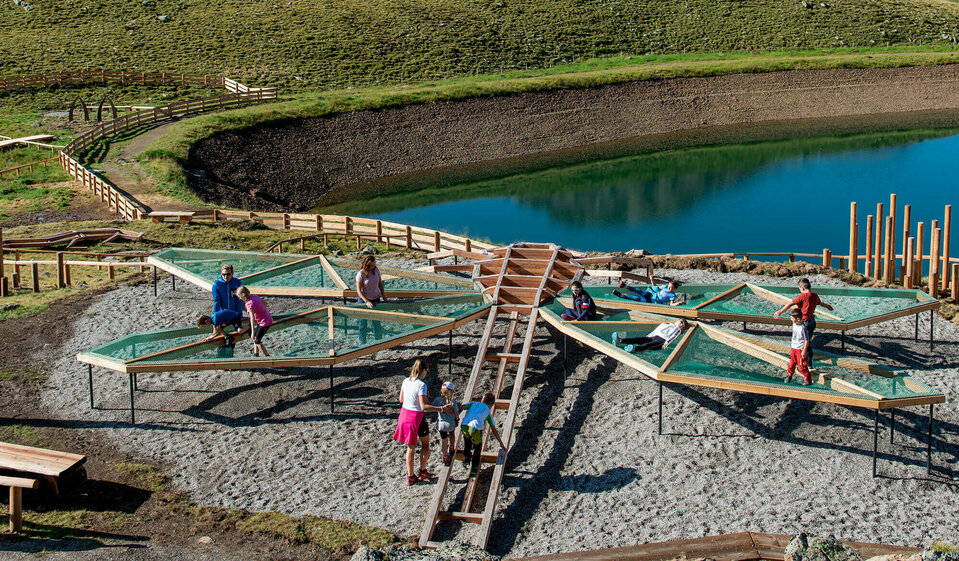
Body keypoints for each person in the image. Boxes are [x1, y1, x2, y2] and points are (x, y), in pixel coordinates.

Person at [394, 360, 447, 486]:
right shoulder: (421, 385)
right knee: (425, 444)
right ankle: (422, 471)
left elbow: (401, 399)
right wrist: (441, 409)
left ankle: (410, 476)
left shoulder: (405, 381)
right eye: (426, 371)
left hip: (404, 416)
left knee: (410, 447)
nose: (426, 374)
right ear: (423, 371)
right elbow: (424, 406)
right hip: (416, 417)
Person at [459, 391, 507, 478]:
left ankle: (466, 457)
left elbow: (462, 406)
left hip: (464, 425)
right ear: (491, 405)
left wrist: (456, 416)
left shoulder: (474, 403)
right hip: (475, 428)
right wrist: (501, 443)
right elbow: (494, 430)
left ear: (482, 400)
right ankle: (474, 468)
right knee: (478, 447)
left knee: (467, 440)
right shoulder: (488, 411)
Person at [611, 319, 689, 353]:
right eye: (681, 322)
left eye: (683, 324)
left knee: (648, 345)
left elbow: (673, 337)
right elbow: (656, 330)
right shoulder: (666, 324)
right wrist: (648, 336)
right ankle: (621, 340)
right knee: (639, 339)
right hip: (655, 336)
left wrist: (666, 343)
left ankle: (635, 348)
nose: (681, 324)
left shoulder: (677, 330)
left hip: (662, 339)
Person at [236, 286, 273, 357]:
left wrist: (252, 331)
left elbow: (252, 318)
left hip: (264, 323)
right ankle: (256, 354)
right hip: (267, 318)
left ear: (243, 295)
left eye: (239, 297)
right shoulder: (255, 296)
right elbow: (265, 303)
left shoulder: (249, 304)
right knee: (256, 337)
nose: (239, 298)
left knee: (257, 340)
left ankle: (267, 356)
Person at [432, 381, 460, 466]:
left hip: (441, 424)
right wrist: (457, 419)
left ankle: (445, 456)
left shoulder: (437, 400)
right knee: (452, 434)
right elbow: (456, 413)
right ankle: (452, 447)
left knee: (444, 441)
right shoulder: (452, 401)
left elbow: (432, 407)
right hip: (450, 424)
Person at [784, 309, 813, 386]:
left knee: (801, 366)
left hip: (800, 349)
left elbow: (807, 339)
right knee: (791, 363)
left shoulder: (803, 328)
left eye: (792, 318)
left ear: (798, 319)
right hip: (794, 347)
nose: (791, 319)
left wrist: (804, 351)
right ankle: (789, 376)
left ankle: (808, 378)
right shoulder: (794, 324)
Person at [611, 280, 684, 306]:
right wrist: (652, 280)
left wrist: (678, 303)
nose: (669, 288)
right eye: (669, 286)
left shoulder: (672, 295)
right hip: (651, 294)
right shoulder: (664, 287)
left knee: (636, 298)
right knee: (638, 290)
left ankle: (620, 295)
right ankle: (624, 285)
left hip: (652, 301)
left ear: (675, 289)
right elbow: (655, 287)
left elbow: (671, 304)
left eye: (671, 288)